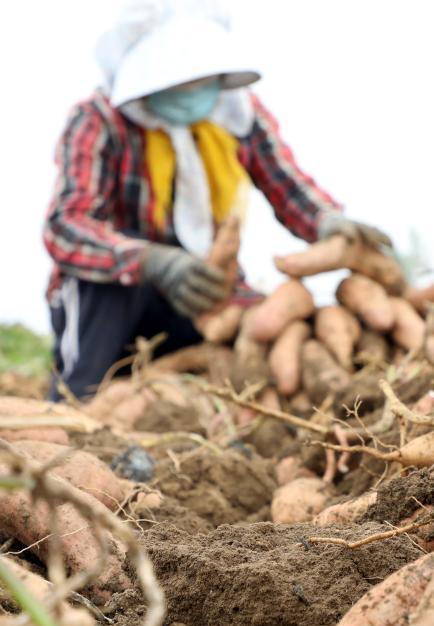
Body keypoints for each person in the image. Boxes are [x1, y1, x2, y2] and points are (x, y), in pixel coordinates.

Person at [43, 0, 391, 400]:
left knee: (258, 335)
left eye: (200, 76)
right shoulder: (100, 119)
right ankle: (75, 406)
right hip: (115, 297)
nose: (193, 90)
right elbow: (65, 227)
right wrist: (154, 262)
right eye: (179, 79)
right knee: (95, 336)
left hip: (202, 288)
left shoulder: (235, 113)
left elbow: (286, 183)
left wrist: (326, 221)